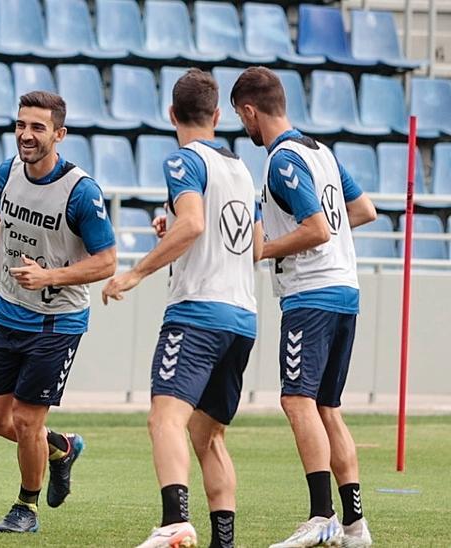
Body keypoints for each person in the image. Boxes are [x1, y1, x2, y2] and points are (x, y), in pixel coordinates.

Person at [102, 69, 263, 548]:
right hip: (242, 317)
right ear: (216, 116)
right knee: (208, 436)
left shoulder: (182, 162)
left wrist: (135, 272)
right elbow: (252, 246)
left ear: (171, 115)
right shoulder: (239, 167)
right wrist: (172, 224)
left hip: (197, 312)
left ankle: (175, 521)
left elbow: (192, 224)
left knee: (164, 419)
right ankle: (224, 541)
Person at [0, 91, 114, 535]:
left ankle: (26, 507)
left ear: (59, 134)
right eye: (22, 124)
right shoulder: (8, 171)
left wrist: (50, 278)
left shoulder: (81, 193)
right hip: (8, 312)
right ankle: (61, 447)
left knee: (25, 420)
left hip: (56, 322)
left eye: (38, 127)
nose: (26, 134)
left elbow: (107, 261)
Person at [229, 67, 376, 548]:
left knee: (297, 400)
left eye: (241, 117)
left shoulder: (282, 160)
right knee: (327, 407)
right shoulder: (322, 152)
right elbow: (362, 210)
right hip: (345, 289)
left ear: (250, 111)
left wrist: (265, 249)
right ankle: (355, 527)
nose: (243, 127)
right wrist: (324, 243)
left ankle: (321, 517)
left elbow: (316, 228)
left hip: (311, 294)